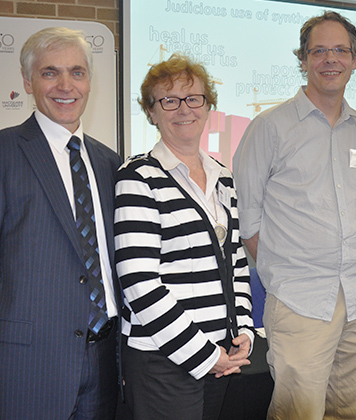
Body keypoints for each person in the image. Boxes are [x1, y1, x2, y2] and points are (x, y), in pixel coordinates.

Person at [0, 27, 121, 419]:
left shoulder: (110, 163)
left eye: (77, 72)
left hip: (105, 369)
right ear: (27, 82)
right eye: (50, 73)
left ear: (90, 82)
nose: (66, 85)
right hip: (23, 372)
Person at [233, 10, 356, 420]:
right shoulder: (269, 127)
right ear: (302, 59)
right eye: (319, 51)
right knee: (296, 413)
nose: (330, 59)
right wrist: (285, 272)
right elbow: (248, 219)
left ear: (355, 59)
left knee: (352, 409)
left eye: (340, 50)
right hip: (301, 301)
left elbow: (355, 207)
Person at [114, 53, 254, 420]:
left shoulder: (223, 176)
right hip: (163, 362)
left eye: (194, 99)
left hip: (222, 355)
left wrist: (242, 334)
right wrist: (204, 355)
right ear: (151, 111)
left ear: (208, 107)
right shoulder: (138, 177)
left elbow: (236, 264)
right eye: (169, 100)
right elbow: (139, 283)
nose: (184, 109)